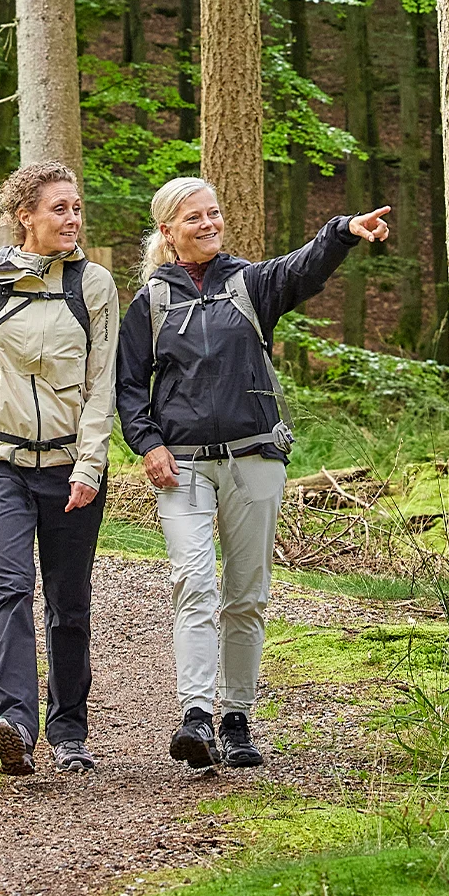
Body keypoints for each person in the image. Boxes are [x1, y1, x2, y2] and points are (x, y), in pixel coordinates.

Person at [116, 177, 390, 769]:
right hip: (181, 466)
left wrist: (343, 231)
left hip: (254, 458)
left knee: (245, 594)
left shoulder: (250, 284)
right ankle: (195, 715)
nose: (210, 224)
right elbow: (130, 385)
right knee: (193, 582)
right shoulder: (150, 303)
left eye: (215, 213)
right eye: (196, 217)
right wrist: (147, 443)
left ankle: (237, 717)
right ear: (168, 231)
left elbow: (303, 269)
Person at [0, 161, 116, 775]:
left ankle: (69, 732)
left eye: (77, 208)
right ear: (24, 216)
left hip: (69, 466)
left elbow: (101, 384)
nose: (72, 219)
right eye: (59, 208)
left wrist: (90, 464)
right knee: (9, 586)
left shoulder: (95, 286)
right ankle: (13, 722)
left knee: (69, 600)